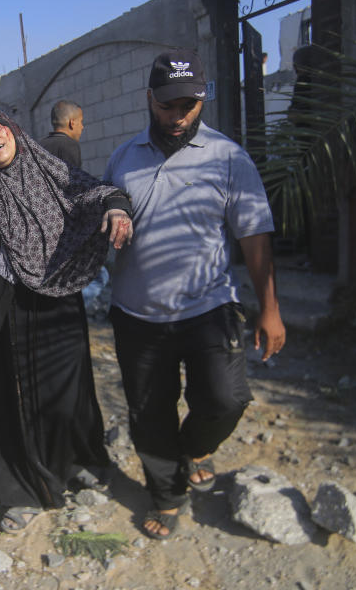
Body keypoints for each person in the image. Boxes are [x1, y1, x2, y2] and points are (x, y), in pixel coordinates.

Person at [104, 48, 286, 540]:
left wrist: (269, 309)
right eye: (168, 105)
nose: (178, 116)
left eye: (189, 104)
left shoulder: (229, 157)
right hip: (137, 314)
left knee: (227, 399)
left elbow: (254, 237)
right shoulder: (122, 159)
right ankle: (166, 495)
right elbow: (101, 216)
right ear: (149, 99)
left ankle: (195, 447)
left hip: (209, 306)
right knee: (149, 413)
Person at [0, 106, 133, 533]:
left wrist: (116, 210)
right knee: (12, 393)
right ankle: (20, 486)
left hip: (57, 295)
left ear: (13, 129)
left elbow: (96, 190)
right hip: (6, 306)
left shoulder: (49, 165)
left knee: (68, 385)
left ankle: (77, 461)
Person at [38, 100, 84, 169]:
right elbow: (74, 177)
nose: (82, 127)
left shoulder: (40, 145)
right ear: (72, 123)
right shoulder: (70, 145)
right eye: (81, 121)